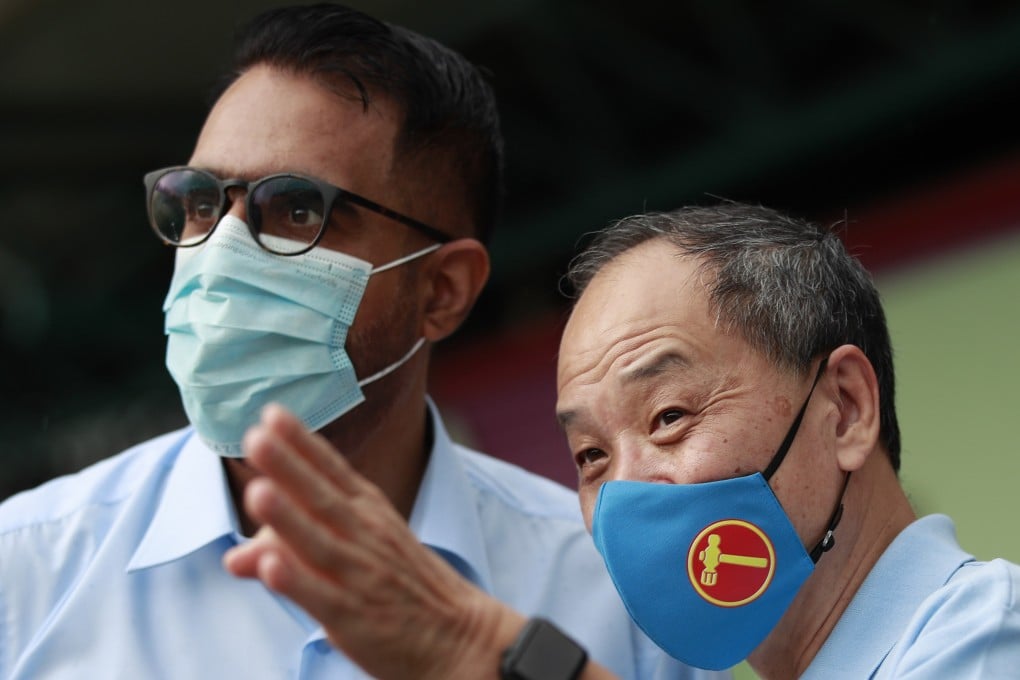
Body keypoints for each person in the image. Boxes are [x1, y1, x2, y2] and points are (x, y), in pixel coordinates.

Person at [0, 5, 726, 680]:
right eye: (197, 204)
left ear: (443, 290)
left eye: (293, 209)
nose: (219, 252)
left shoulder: (616, 595)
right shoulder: (27, 571)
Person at [226, 202, 1020, 679]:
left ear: (844, 409)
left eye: (669, 417)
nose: (630, 492)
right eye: (591, 459)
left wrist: (485, 651)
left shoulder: (986, 639)